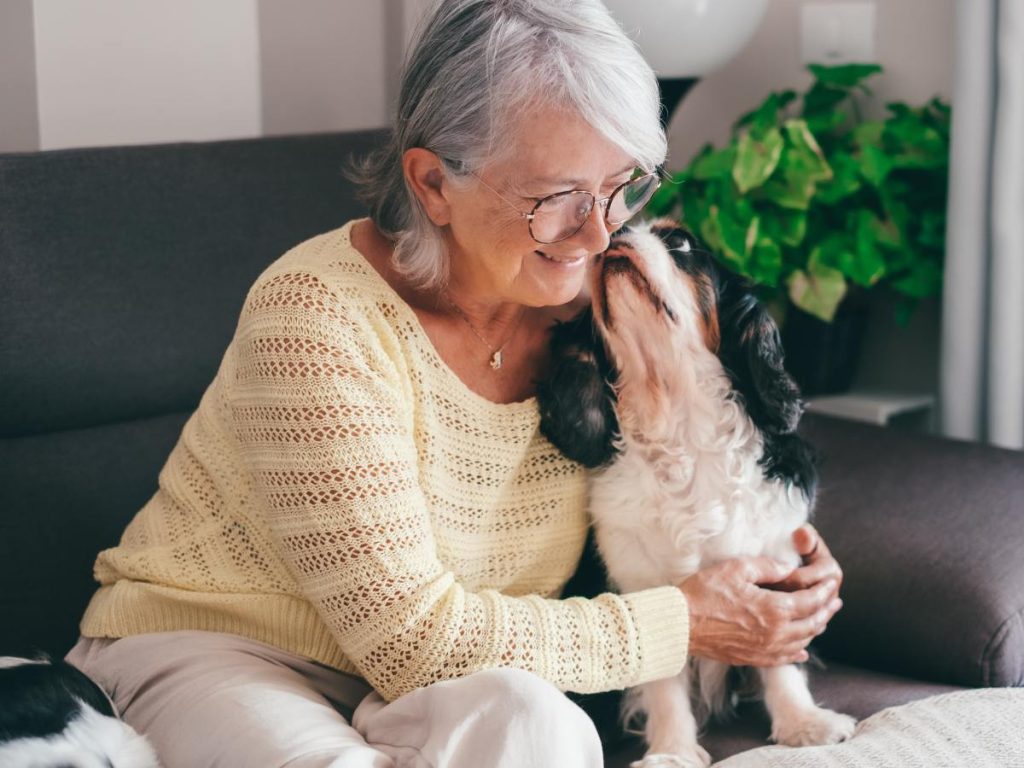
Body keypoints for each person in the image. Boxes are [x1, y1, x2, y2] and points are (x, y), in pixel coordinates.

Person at [65, 1, 844, 766]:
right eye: (557, 199)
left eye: (621, 187)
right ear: (434, 183)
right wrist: (688, 622)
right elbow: (411, 641)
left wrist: (778, 567)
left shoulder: (590, 312)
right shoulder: (316, 320)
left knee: (543, 728)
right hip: (223, 651)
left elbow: (695, 462)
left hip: (430, 682)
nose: (600, 234)